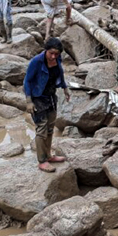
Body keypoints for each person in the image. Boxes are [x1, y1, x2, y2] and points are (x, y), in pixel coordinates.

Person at [24, 38, 71, 172]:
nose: (53, 56)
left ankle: (49, 155)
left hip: (50, 96)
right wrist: (29, 101)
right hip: (37, 97)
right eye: (51, 53)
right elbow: (27, 81)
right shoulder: (36, 62)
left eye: (56, 54)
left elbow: (60, 73)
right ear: (46, 50)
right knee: (41, 129)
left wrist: (65, 88)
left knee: (50, 127)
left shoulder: (57, 59)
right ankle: (42, 161)